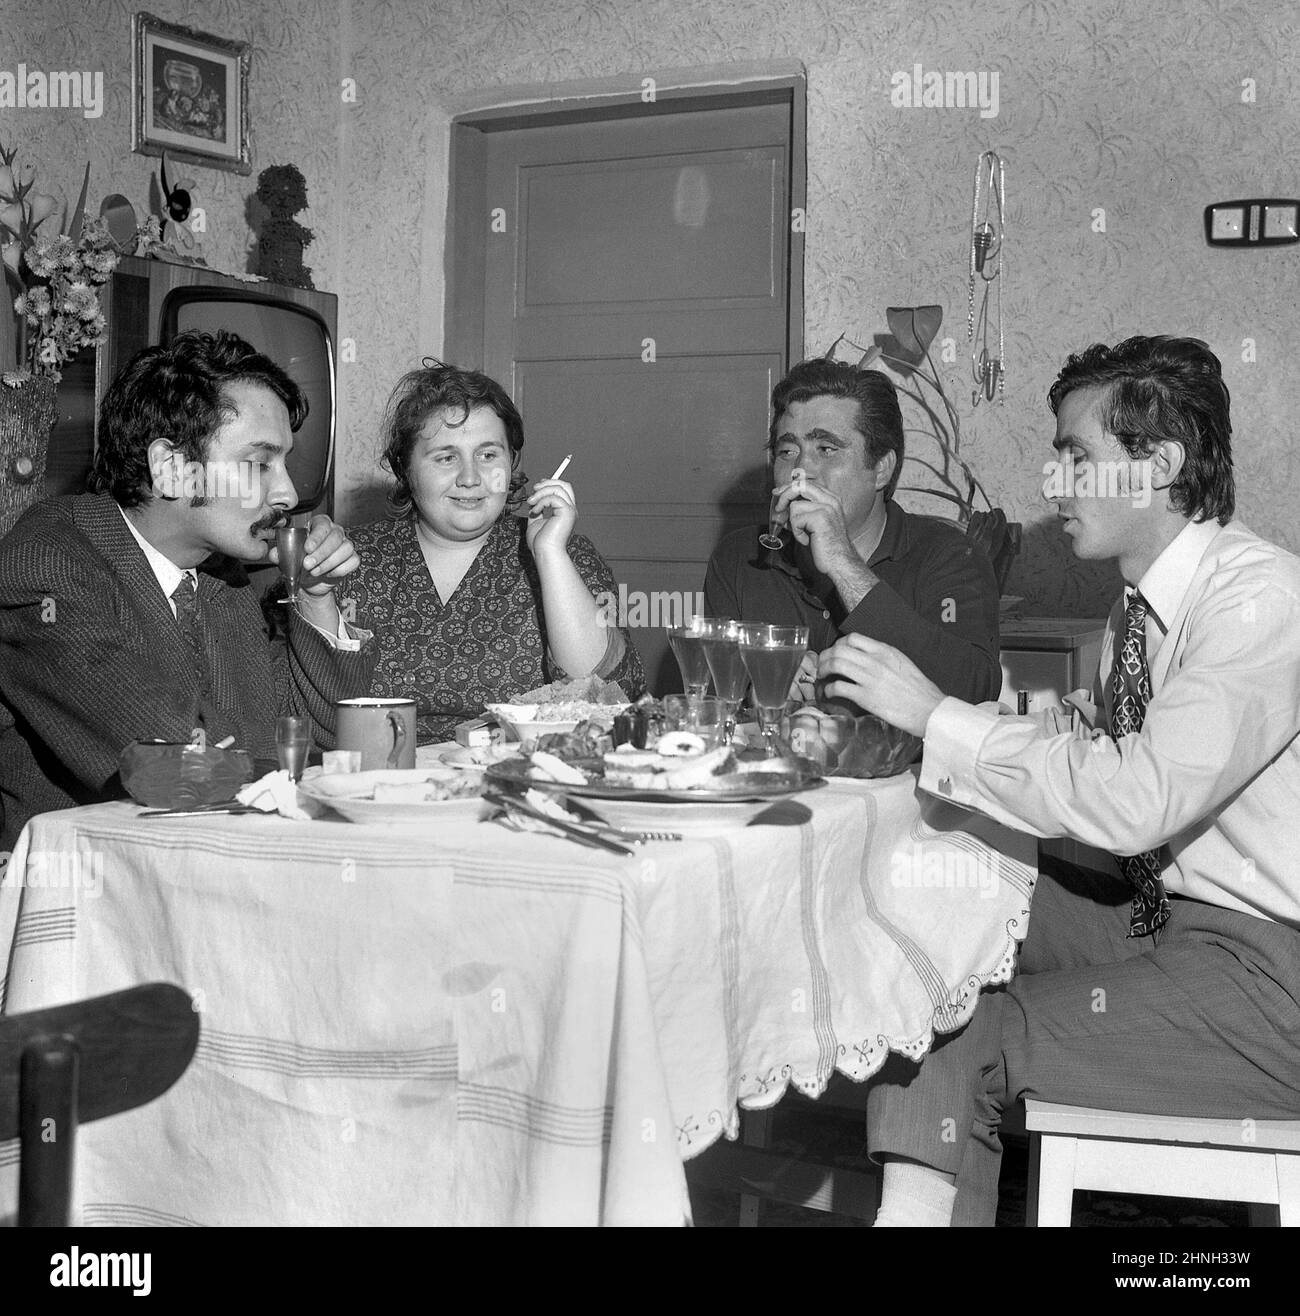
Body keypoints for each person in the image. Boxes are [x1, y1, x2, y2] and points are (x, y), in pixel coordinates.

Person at [817, 335, 1300, 1226]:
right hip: (1159, 918)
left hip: (1274, 977)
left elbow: (1136, 799)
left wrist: (935, 717)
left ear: (1158, 466)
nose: (1054, 480)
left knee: (963, 1031)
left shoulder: (1261, 600)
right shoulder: (1134, 611)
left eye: (1078, 456)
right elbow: (1100, 771)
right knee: (934, 918)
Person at [0, 331, 376, 849]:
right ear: (171, 468)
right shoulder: (50, 561)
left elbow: (326, 740)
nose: (287, 493)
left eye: (284, 464)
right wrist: (302, 783)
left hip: (215, 857)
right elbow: (165, 765)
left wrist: (315, 596)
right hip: (93, 889)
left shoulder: (220, 576)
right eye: (259, 464)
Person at [342, 361, 644, 744]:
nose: (470, 478)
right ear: (406, 470)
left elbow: (607, 699)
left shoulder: (567, 555)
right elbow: (316, 710)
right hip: (383, 787)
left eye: (488, 456)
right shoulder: (354, 560)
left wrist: (550, 556)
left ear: (511, 463)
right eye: (445, 457)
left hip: (525, 783)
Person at [703, 358, 1000, 703]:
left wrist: (844, 565)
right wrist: (760, 690)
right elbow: (707, 698)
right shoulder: (740, 558)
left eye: (826, 449)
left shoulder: (950, 555)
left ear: (881, 469)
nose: (800, 471)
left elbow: (974, 694)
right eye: (787, 451)